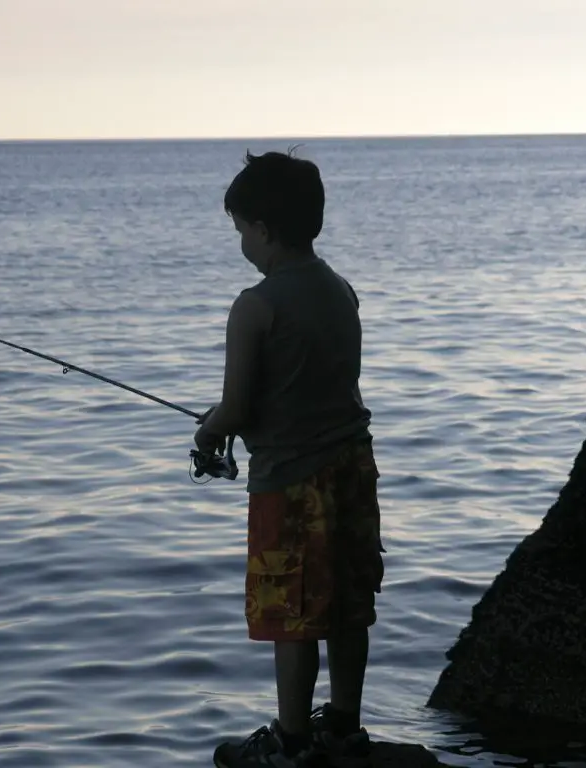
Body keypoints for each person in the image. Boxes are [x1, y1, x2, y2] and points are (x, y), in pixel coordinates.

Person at [194, 149, 385, 768]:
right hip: (353, 470)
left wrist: (206, 436)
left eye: (241, 231)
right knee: (350, 603)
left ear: (263, 230)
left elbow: (235, 409)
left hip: (288, 483)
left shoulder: (255, 306)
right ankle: (347, 725)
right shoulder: (341, 291)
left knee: (291, 612)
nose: (242, 244)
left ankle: (293, 739)